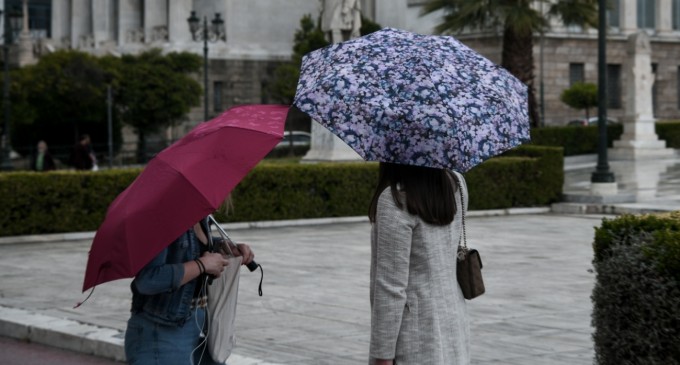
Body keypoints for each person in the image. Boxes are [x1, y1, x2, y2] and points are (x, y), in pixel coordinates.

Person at [368, 163, 470, 365]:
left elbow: (391, 287)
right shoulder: (457, 183)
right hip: (453, 324)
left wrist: (383, 355)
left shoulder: (395, 200)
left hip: (413, 337)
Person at [124, 218, 255, 365]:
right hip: (162, 333)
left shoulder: (199, 215)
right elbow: (148, 280)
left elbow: (188, 248)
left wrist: (225, 248)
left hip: (198, 324)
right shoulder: (162, 216)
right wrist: (202, 265)